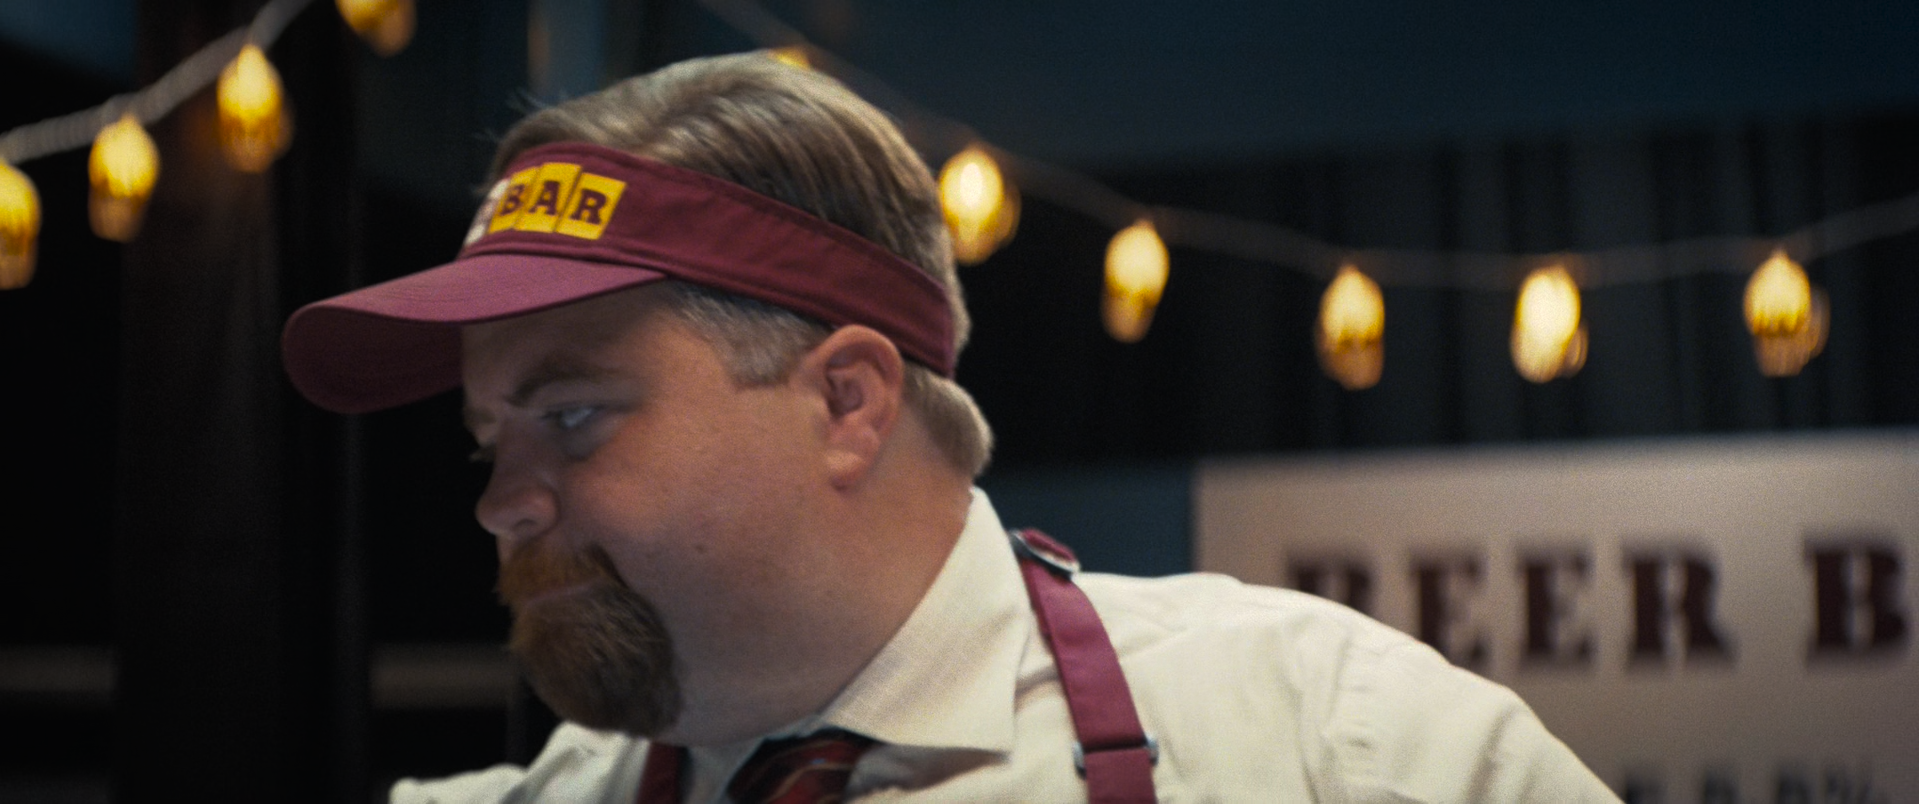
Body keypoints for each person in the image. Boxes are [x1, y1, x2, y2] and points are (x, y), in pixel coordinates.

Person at [281, 52, 1620, 803]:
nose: (501, 499)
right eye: (490, 438)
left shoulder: (1336, 747)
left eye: (572, 417)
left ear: (847, 403)